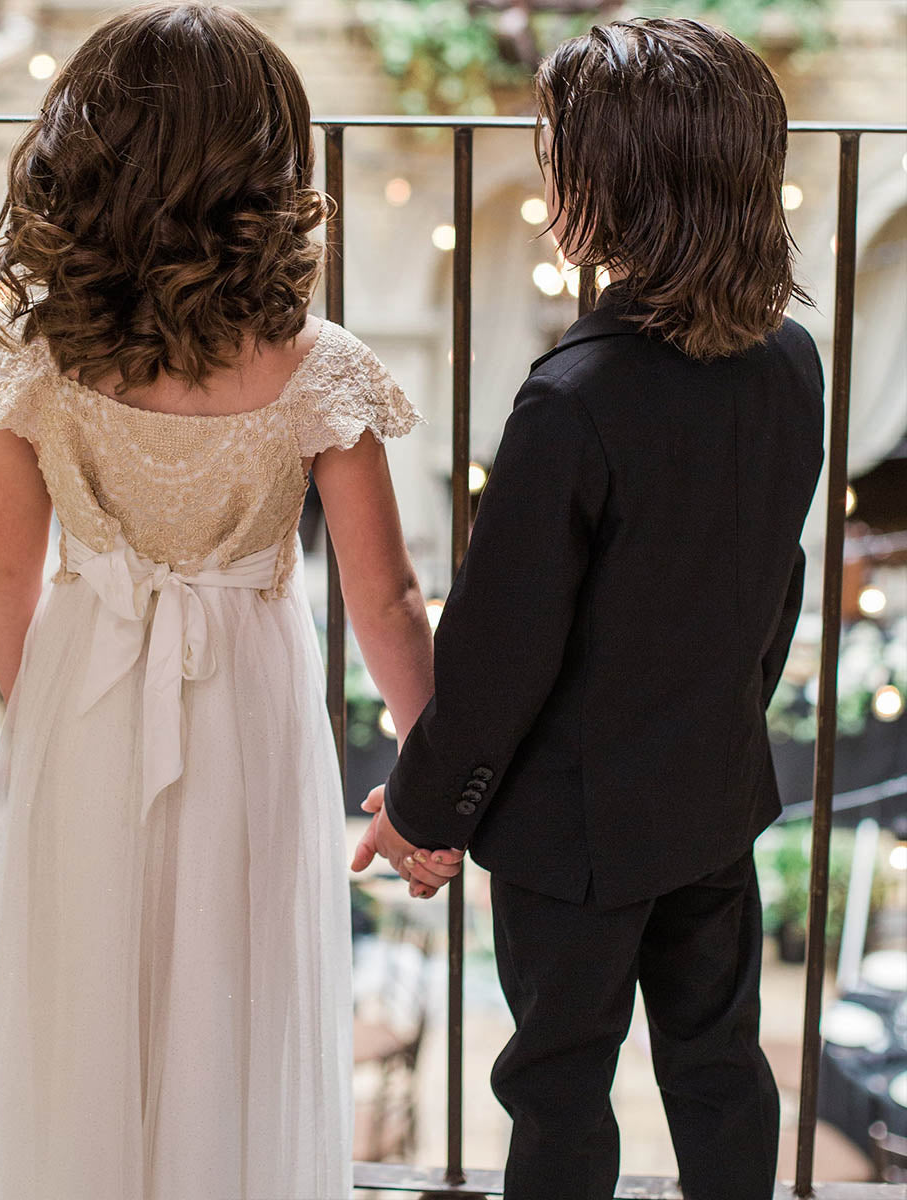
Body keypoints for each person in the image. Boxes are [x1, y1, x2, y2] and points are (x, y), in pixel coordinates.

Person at [0, 6, 459, 1198]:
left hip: (83, 692)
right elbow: (385, 598)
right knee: (234, 990)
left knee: (84, 1003)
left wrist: (40, 727)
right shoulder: (315, 366)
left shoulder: (34, 355)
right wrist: (433, 783)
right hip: (247, 707)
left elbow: (4, 573)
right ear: (266, 174)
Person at [352, 18, 826, 1200]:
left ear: (610, 189)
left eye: (558, 153)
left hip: (572, 837)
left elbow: (499, 652)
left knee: (558, 1089)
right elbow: (775, 591)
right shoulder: (793, 362)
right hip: (714, 796)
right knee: (720, 1068)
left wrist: (421, 811)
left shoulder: (572, 399)